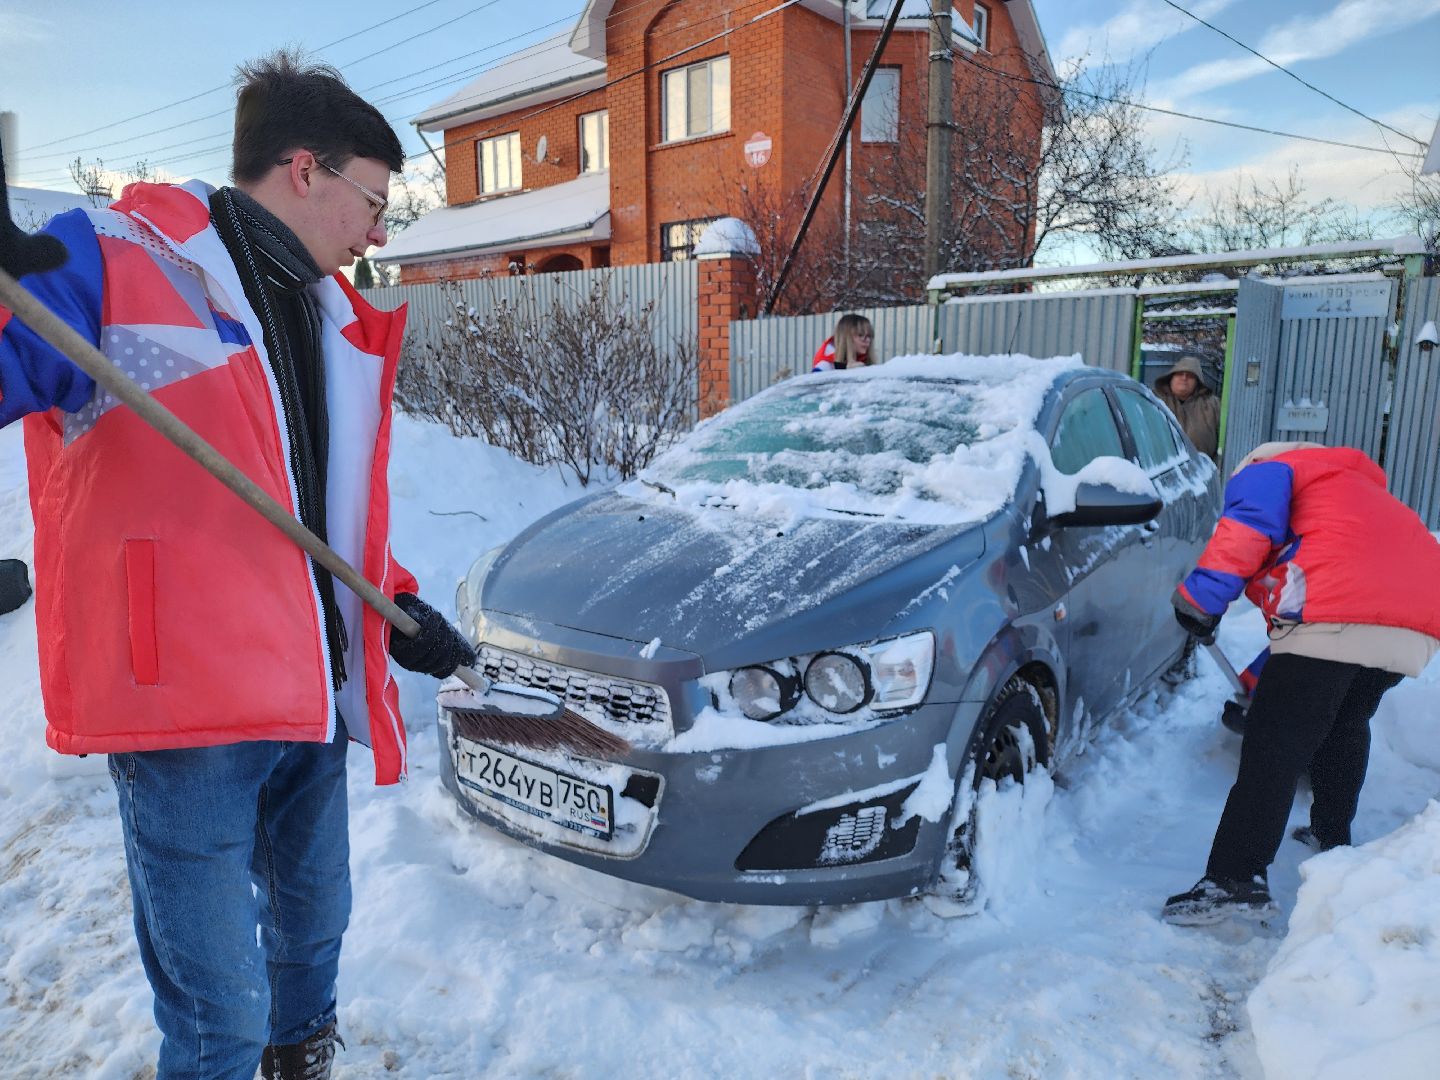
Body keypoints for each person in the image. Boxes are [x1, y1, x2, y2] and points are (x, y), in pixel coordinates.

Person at [0, 53, 475, 1079]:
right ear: (306, 169)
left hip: (308, 695)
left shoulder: (329, 316)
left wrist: (396, 605)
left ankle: (301, 1059)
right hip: (188, 710)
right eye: (375, 201)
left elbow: (321, 499)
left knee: (314, 932)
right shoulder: (115, 260)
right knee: (218, 1012)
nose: (379, 232)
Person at [1160, 441, 1440, 926]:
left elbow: (1246, 530)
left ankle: (1234, 880)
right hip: (1416, 625)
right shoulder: (1360, 491)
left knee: (1275, 746)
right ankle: (1333, 837)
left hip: (1336, 616)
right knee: (1346, 721)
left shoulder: (1272, 470)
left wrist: (1201, 602)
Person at [1153, 354, 1220, 462]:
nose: (1184, 378)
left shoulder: (1212, 405)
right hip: (1161, 466)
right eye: (1180, 374)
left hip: (1200, 468)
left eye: (1190, 375)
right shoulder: (1154, 400)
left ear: (1197, 382)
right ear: (1171, 378)